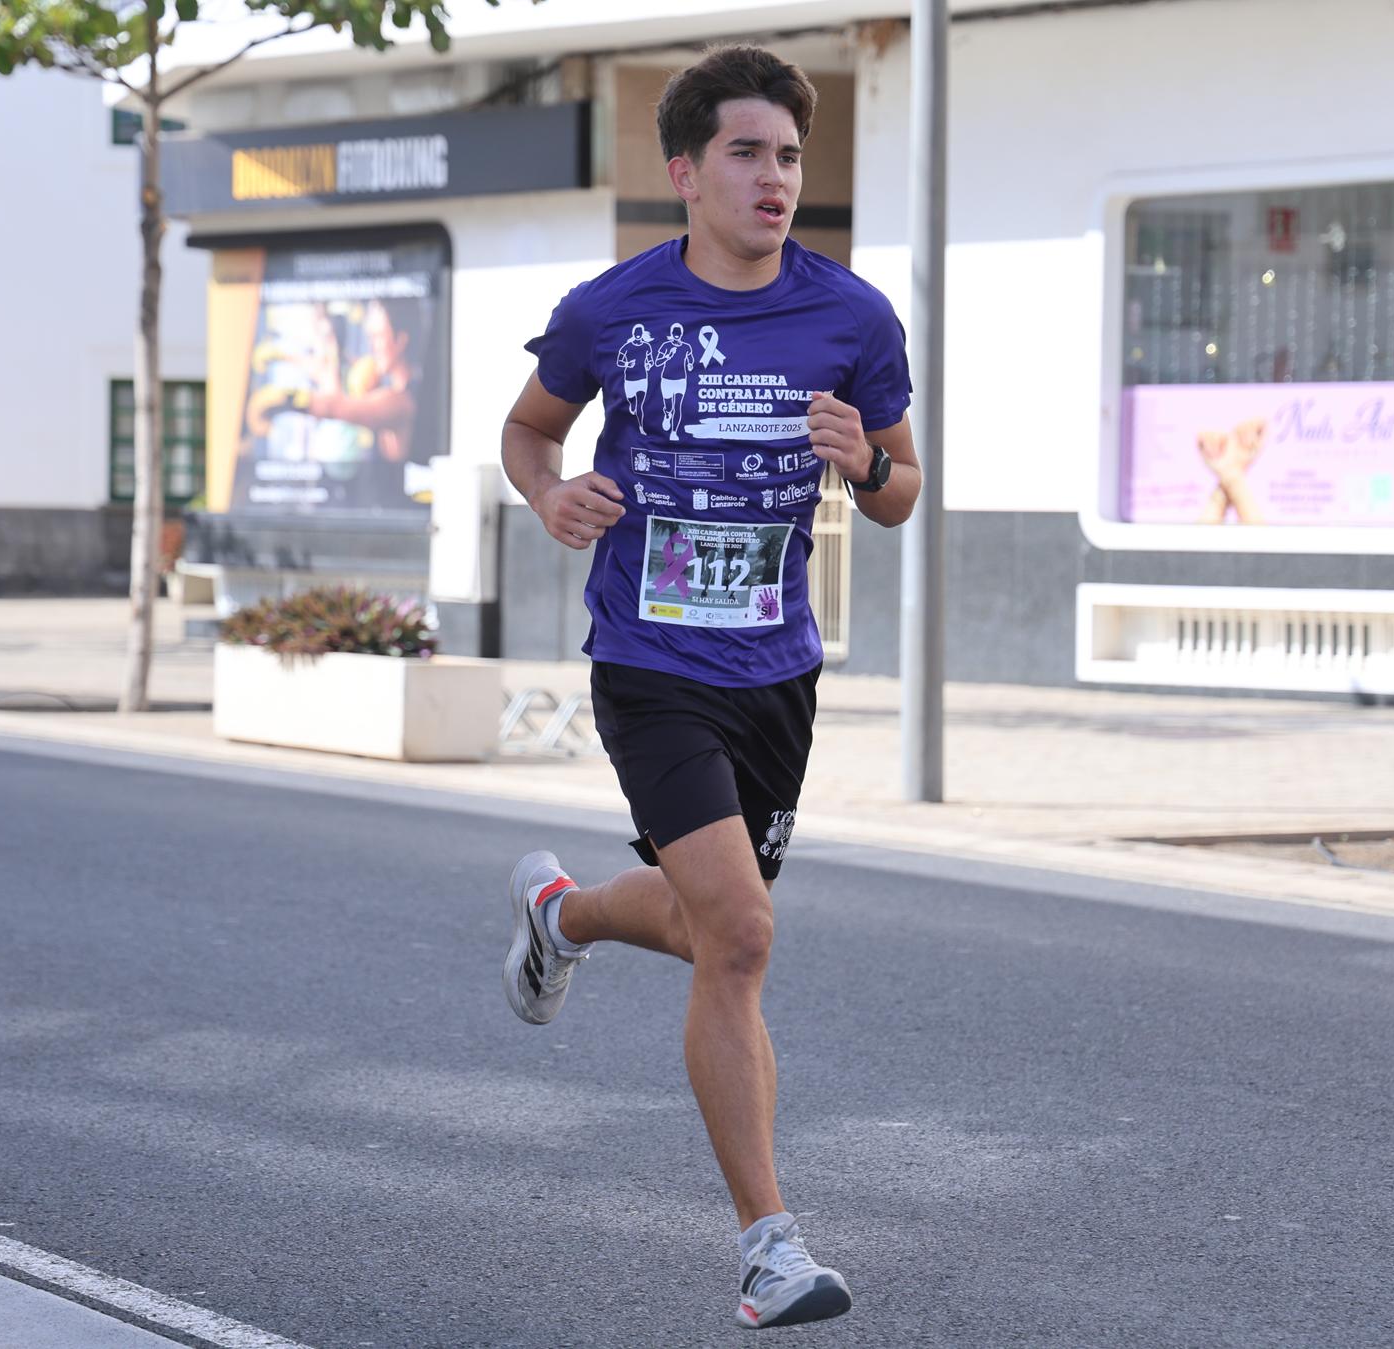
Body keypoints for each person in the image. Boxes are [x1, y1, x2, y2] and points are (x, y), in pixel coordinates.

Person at [496, 44, 921, 1331]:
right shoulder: (609, 310)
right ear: (684, 171)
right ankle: (768, 1247)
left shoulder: (851, 319)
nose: (773, 177)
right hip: (649, 661)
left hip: (775, 671)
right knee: (739, 933)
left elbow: (903, 493)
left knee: (703, 926)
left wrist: (865, 466)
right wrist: (548, 492)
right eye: (745, 152)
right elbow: (529, 430)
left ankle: (561, 917)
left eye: (788, 155)